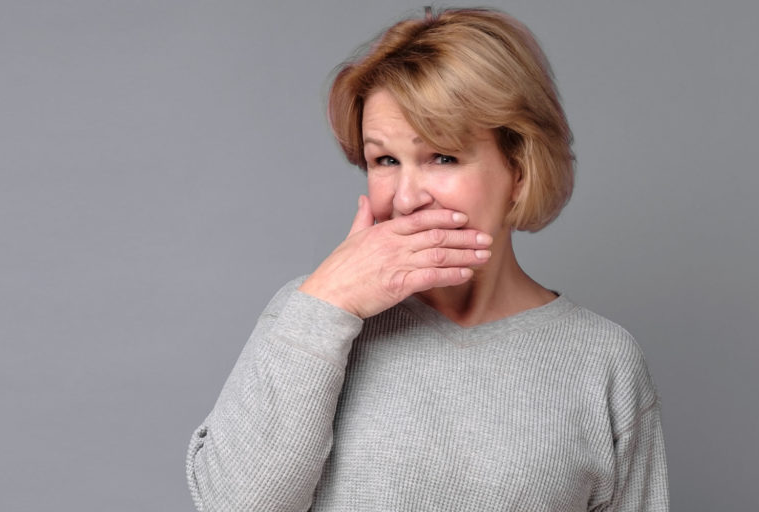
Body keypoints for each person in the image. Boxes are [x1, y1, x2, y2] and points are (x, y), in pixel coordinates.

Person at [186, 7, 668, 511]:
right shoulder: (309, 315)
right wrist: (325, 305)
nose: (406, 197)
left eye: (442, 156)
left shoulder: (602, 361)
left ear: (519, 169)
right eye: (384, 160)